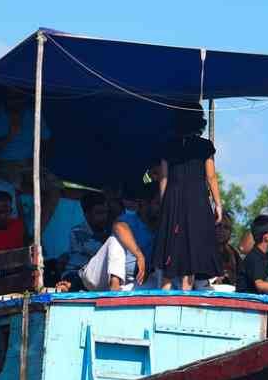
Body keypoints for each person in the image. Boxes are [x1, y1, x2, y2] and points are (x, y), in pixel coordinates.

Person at [152, 106, 223, 290]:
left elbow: (164, 178)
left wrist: (163, 204)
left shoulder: (168, 145)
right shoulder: (204, 146)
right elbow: (211, 177)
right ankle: (186, 291)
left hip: (172, 198)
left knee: (171, 246)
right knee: (191, 245)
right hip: (197, 198)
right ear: (199, 120)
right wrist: (218, 205)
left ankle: (164, 294)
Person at [78, 181, 161, 291]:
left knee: (160, 285)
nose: (161, 208)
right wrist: (139, 255)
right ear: (144, 203)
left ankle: (118, 294)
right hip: (96, 278)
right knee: (116, 239)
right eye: (157, 203)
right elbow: (118, 227)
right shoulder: (130, 219)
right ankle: (114, 285)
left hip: (129, 281)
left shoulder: (161, 228)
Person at [61, 191, 111, 276]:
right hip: (75, 274)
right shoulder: (77, 232)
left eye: (105, 212)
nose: (104, 217)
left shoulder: (108, 231)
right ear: (87, 214)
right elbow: (95, 250)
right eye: (99, 213)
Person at [212, 210, 242, 287]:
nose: (222, 230)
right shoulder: (201, 250)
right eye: (218, 226)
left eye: (226, 227)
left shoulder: (234, 254)